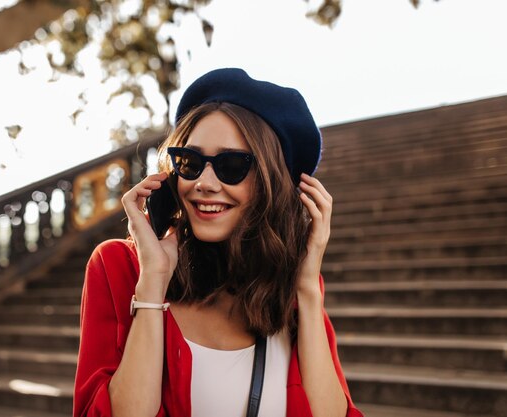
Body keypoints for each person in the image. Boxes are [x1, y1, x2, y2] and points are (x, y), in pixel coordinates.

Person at [73, 68, 364, 417]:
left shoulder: (297, 287)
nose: (205, 183)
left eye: (231, 165)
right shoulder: (120, 266)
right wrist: (152, 283)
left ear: (271, 183)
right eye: (191, 162)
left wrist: (306, 290)